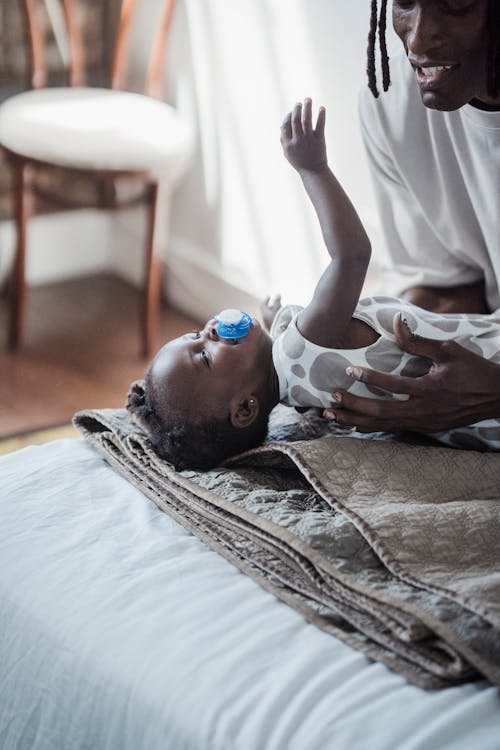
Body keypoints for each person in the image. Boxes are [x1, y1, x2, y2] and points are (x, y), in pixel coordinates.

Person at [127, 99, 500, 470]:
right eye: (205, 355)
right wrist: (312, 169)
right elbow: (352, 256)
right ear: (245, 408)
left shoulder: (303, 393)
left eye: (195, 333)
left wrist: (277, 325)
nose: (209, 330)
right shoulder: (298, 351)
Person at [323, 0, 500, 435]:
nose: (417, 39)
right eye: (403, 3)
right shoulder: (391, 103)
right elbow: (448, 284)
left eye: (456, 5)